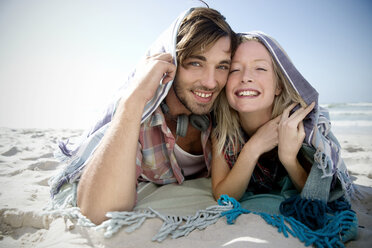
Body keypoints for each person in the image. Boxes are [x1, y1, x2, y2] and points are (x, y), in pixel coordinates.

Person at [49, 7, 236, 225]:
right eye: (196, 62)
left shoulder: (227, 111)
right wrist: (133, 100)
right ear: (172, 61)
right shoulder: (141, 115)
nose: (211, 82)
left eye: (222, 66)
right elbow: (98, 212)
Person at [211, 32, 340, 202]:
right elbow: (223, 195)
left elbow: (319, 194)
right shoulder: (224, 132)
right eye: (235, 69)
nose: (245, 78)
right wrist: (254, 147)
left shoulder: (299, 126)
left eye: (260, 68)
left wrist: (288, 158)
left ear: (278, 85)